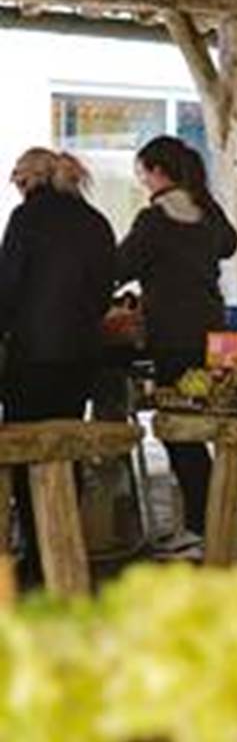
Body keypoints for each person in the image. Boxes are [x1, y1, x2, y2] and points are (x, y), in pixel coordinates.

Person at [117, 136, 237, 557]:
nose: (143, 181)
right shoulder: (205, 210)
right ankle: (209, 524)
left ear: (156, 171)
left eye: (143, 173)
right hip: (211, 331)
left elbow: (120, 266)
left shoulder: (153, 219)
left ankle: (201, 529)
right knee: (200, 424)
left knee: (179, 429)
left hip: (173, 335)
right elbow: (230, 244)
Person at [0, 148, 115, 584]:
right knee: (65, 449)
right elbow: (105, 290)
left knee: (27, 452)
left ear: (30, 179)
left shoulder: (26, 219)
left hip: (33, 355)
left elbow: (7, 290)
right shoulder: (96, 221)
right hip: (82, 355)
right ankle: (64, 548)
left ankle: (34, 557)